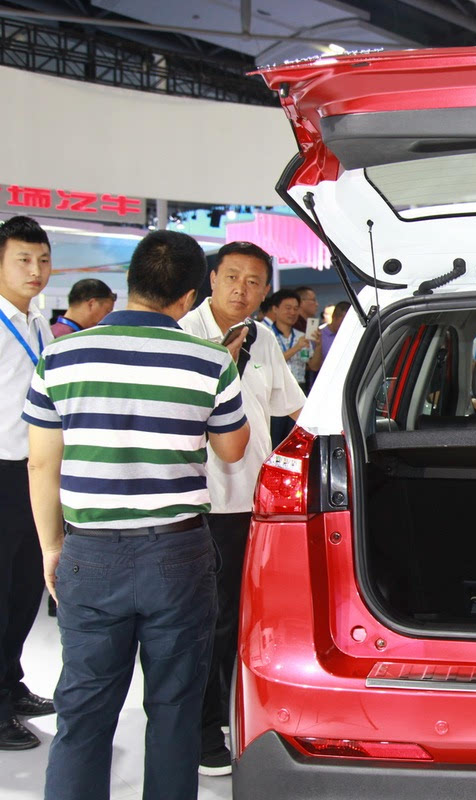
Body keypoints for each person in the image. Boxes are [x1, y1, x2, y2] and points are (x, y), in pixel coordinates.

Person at [24, 230, 250, 799]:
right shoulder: (208, 360)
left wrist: (52, 547)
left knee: (83, 707)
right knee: (175, 708)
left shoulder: (60, 356)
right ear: (191, 295)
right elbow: (232, 449)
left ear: (130, 281)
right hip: (178, 552)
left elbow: (41, 464)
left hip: (90, 550)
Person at [179, 241, 305, 776]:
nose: (241, 290)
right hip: (199, 501)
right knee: (201, 621)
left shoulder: (264, 338)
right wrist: (221, 364)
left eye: (254, 282)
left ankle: (228, 713)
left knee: (240, 618)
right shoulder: (183, 334)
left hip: (252, 503)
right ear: (211, 279)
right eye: (232, 277)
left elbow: (292, 408)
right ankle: (201, 729)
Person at [0, 216, 55, 751]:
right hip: (1, 469)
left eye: (42, 259)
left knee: (23, 592)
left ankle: (10, 685)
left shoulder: (38, 322)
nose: (35, 270)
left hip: (33, 474)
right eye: (22, 259)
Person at [264, 288, 320, 445]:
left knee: (296, 440)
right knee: (274, 440)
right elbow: (271, 363)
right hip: (274, 391)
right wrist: (296, 348)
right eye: (288, 308)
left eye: (296, 308)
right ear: (275, 309)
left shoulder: (301, 336)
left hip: (298, 389)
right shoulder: (266, 335)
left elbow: (313, 366)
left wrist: (318, 345)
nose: (292, 312)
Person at [49, 279, 116, 338]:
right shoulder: (68, 339)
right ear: (91, 304)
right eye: (107, 311)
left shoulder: (51, 332)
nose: (108, 317)